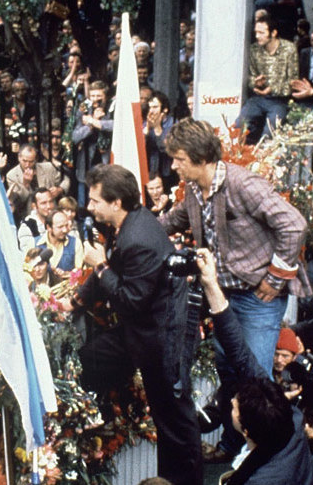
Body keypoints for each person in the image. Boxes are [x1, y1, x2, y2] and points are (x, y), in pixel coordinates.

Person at [72, 164, 200, 484]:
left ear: (116, 203)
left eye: (96, 201)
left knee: (174, 420)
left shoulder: (139, 238)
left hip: (163, 340)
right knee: (91, 359)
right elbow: (115, 265)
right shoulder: (129, 223)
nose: (90, 207)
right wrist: (76, 300)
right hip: (145, 332)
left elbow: (130, 299)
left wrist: (98, 265)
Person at [159, 118, 307, 381]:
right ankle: (231, 424)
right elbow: (173, 220)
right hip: (224, 297)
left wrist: (274, 279)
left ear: (202, 157)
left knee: (255, 379)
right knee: (228, 373)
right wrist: (135, 228)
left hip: (257, 299)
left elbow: (294, 225)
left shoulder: (244, 185)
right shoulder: (195, 189)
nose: (174, 166)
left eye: (180, 159)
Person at [195, 248, 313, 485]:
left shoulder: (262, 481)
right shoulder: (287, 418)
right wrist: (211, 284)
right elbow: (239, 352)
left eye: (235, 409)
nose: (231, 401)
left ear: (246, 432)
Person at [236, 16, 298, 137]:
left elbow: (293, 82)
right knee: (238, 126)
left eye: (261, 32)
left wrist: (273, 89)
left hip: (279, 100)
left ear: (273, 33)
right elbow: (250, 78)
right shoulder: (254, 49)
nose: (257, 36)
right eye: (256, 32)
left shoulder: (289, 49)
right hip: (258, 99)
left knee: (269, 133)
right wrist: (255, 82)